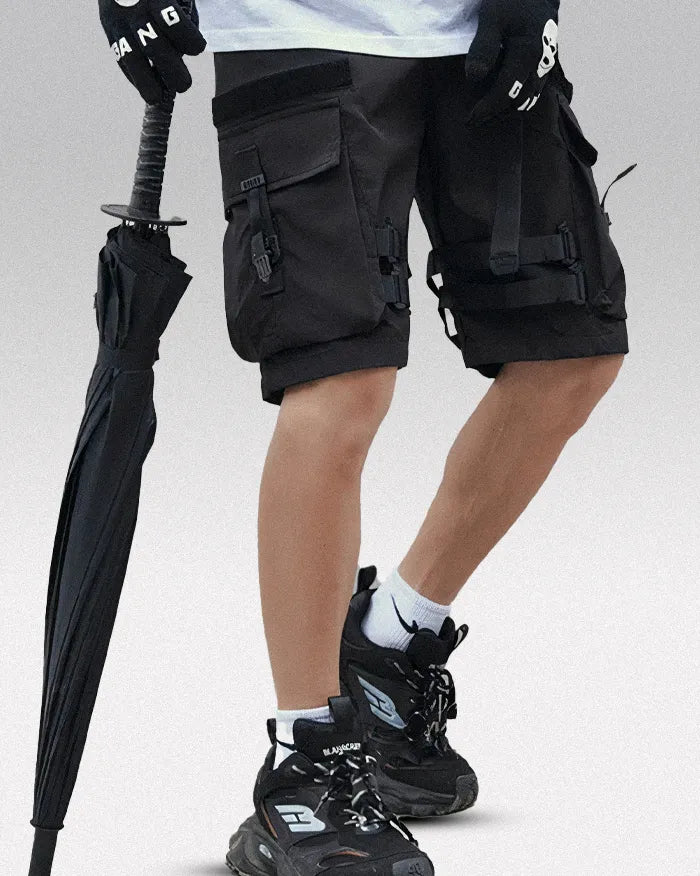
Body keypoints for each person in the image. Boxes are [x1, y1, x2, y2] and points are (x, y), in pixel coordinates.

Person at [99, 1, 630, 873]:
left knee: (572, 350)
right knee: (341, 381)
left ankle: (391, 639)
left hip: (476, 32)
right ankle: (306, 768)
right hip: (297, 31)